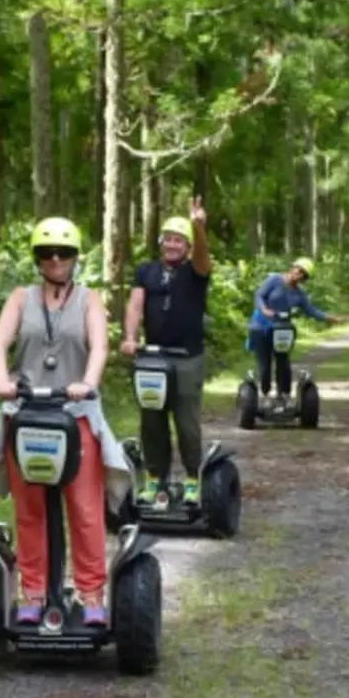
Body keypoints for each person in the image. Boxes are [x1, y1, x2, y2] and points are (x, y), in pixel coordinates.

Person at [0, 217, 132, 628]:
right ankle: (32, 590)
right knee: (29, 510)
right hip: (25, 415)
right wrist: (1, 378)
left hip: (74, 415)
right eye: (47, 253)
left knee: (84, 509)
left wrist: (88, 382)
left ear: (75, 258)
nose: (56, 260)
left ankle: (92, 593)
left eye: (63, 253)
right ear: (37, 259)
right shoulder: (21, 298)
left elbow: (100, 346)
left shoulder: (88, 299)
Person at [120, 197, 212, 504]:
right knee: (152, 421)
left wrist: (198, 227)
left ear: (186, 246)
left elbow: (202, 257)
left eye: (179, 240)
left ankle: (191, 478)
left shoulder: (195, 271)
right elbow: (135, 305)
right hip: (152, 358)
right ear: (161, 242)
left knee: (187, 423)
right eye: (168, 239)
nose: (173, 245)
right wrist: (130, 337)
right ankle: (154, 478)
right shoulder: (146, 270)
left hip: (187, 357)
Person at [247, 258, 347, 409]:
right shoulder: (274, 280)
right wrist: (264, 309)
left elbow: (311, 310)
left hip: (281, 330)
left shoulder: (299, 294)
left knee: (283, 363)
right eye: (298, 270)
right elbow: (259, 295)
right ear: (292, 267)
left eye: (303, 275)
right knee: (265, 365)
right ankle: (265, 395)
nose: (299, 274)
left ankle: (283, 395)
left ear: (304, 279)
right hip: (261, 327)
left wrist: (331, 318)